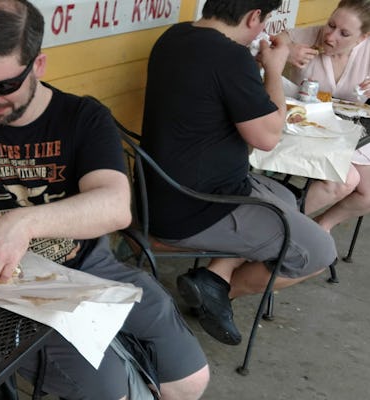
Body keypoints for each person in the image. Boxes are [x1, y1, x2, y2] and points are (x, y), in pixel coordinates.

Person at [0, 1, 209, 399]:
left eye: (5, 86)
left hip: (88, 267)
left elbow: (114, 204)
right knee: (116, 391)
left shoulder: (82, 117)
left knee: (189, 379)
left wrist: (23, 223)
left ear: (38, 65)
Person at [142, 0, 338, 346]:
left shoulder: (175, 35)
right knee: (319, 253)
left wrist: (255, 65)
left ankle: (216, 275)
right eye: (264, 22)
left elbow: (214, 82)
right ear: (253, 17)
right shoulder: (229, 58)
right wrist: (274, 71)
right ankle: (222, 292)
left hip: (160, 188)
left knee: (286, 198)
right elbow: (268, 136)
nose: (263, 30)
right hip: (197, 207)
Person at [281, 0, 370, 234]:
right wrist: (284, 50)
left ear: (363, 38)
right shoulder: (305, 36)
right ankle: (274, 229)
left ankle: (321, 226)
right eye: (330, 25)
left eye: (344, 33)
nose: (330, 36)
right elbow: (258, 49)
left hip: (345, 130)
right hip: (303, 124)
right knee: (345, 179)